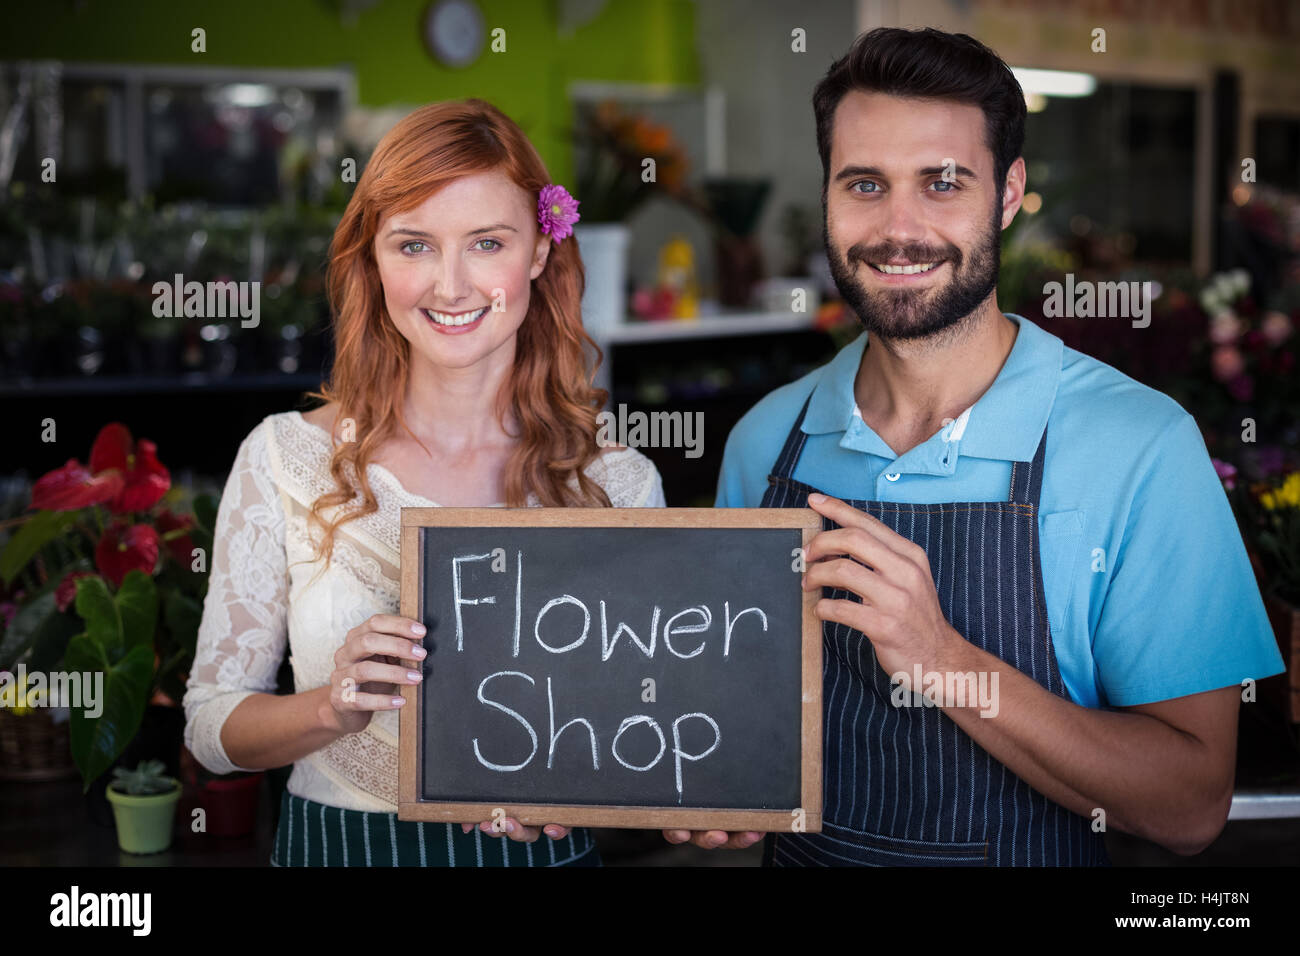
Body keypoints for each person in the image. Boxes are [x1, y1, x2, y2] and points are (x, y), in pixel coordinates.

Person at [667, 27, 1285, 865]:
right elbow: (738, 721)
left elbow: (1189, 806)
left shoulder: (1141, 447)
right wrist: (710, 788)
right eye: (864, 184)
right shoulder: (765, 441)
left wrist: (942, 659)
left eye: (943, 182)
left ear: (1006, 194)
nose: (899, 228)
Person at [183, 99, 666, 867]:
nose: (449, 285)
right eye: (413, 245)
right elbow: (212, 733)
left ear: (539, 252)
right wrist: (330, 708)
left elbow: (642, 726)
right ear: (372, 260)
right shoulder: (282, 457)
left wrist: (578, 787)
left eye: (486, 243)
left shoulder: (616, 482)